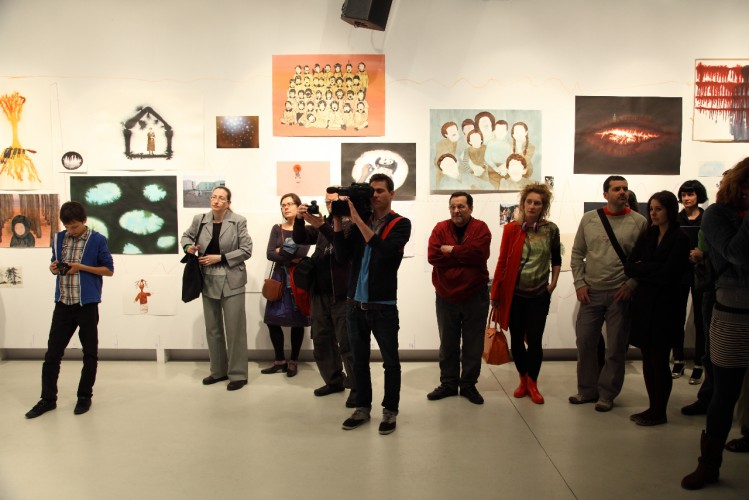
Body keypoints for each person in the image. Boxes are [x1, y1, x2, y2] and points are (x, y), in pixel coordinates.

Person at [682, 157, 749, 490]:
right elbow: (737, 254)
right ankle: (709, 464)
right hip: (732, 314)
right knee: (724, 393)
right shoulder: (718, 215)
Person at [333, 173, 411, 435]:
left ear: (391, 194)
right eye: (372, 191)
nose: (375, 195)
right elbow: (342, 256)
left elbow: (385, 251)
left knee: (391, 362)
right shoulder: (361, 222)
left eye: (380, 190)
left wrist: (356, 220)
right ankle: (362, 408)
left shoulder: (401, 223)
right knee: (358, 361)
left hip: (383, 306)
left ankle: (390, 411)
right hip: (354, 304)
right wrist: (337, 220)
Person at [25, 201, 114, 418]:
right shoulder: (58, 238)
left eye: (74, 226)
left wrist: (80, 267)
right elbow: (54, 263)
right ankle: (48, 399)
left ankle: (84, 397)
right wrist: (53, 268)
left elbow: (108, 270)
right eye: (67, 227)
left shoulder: (97, 239)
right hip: (63, 303)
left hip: (87, 305)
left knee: (90, 353)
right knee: (52, 354)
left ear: (84, 221)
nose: (71, 231)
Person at [569, 175, 647, 412]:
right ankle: (586, 390)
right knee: (585, 344)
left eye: (625, 188)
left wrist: (632, 284)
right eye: (616, 189)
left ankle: (607, 394)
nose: (622, 192)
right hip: (591, 292)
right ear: (605, 194)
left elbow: (646, 260)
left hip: (620, 294)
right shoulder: (589, 219)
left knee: (615, 348)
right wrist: (579, 283)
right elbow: (577, 254)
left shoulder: (639, 222)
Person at [624, 191, 690, 426]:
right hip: (644, 304)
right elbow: (630, 267)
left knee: (659, 359)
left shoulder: (680, 238)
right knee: (647, 358)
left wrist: (646, 267)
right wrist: (653, 267)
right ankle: (652, 407)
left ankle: (659, 411)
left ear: (670, 210)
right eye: (651, 208)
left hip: (666, 306)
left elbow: (669, 275)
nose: (653, 213)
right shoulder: (649, 234)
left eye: (658, 209)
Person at [491, 183, 561, 404]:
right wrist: (495, 293)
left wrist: (553, 284)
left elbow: (556, 259)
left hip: (539, 295)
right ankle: (523, 379)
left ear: (544, 206)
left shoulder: (551, 230)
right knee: (517, 340)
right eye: (529, 202)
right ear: (522, 204)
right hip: (515, 295)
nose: (532, 206)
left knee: (536, 340)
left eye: (537, 203)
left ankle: (533, 382)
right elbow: (502, 262)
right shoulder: (512, 229)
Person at [181, 186, 252, 391]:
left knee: (235, 329)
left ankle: (238, 374)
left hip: (232, 279)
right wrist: (189, 247)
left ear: (228, 203)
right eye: (213, 197)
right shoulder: (200, 219)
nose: (216, 201)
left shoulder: (238, 221)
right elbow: (186, 237)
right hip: (207, 279)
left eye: (221, 198)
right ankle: (218, 370)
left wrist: (220, 258)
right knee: (212, 329)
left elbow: (246, 250)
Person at [427, 192, 491, 405]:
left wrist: (452, 250)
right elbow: (433, 256)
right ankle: (448, 384)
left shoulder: (481, 228)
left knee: (473, 344)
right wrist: (464, 254)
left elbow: (480, 254)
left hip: (475, 295)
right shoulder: (440, 228)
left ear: (470, 208)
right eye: (453, 207)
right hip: (446, 295)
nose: (457, 211)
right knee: (448, 343)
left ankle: (468, 385)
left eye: (461, 206)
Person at [293, 192, 356, 406]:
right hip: (319, 293)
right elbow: (300, 238)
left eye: (334, 201)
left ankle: (356, 386)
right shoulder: (324, 223)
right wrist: (299, 220)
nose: (330, 205)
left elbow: (343, 248)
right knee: (321, 340)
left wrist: (321, 226)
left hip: (343, 294)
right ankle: (333, 381)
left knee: (347, 343)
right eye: (327, 201)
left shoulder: (354, 224)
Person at [261, 193, 310, 378]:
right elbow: (269, 254)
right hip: (279, 279)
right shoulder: (277, 228)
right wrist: (289, 252)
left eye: (290, 204)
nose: (286, 207)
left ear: (298, 206)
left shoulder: (306, 229)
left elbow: (303, 252)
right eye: (283, 205)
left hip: (297, 280)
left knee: (298, 322)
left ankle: (293, 361)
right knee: (272, 320)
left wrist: (280, 250)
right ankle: (279, 360)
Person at [672, 180, 708, 383]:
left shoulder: (707, 218)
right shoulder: (676, 219)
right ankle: (678, 359)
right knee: (676, 316)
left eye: (691, 194)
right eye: (684, 195)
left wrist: (702, 254)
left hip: (701, 271)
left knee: (700, 319)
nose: (686, 198)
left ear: (698, 196)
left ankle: (699, 362)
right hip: (679, 272)